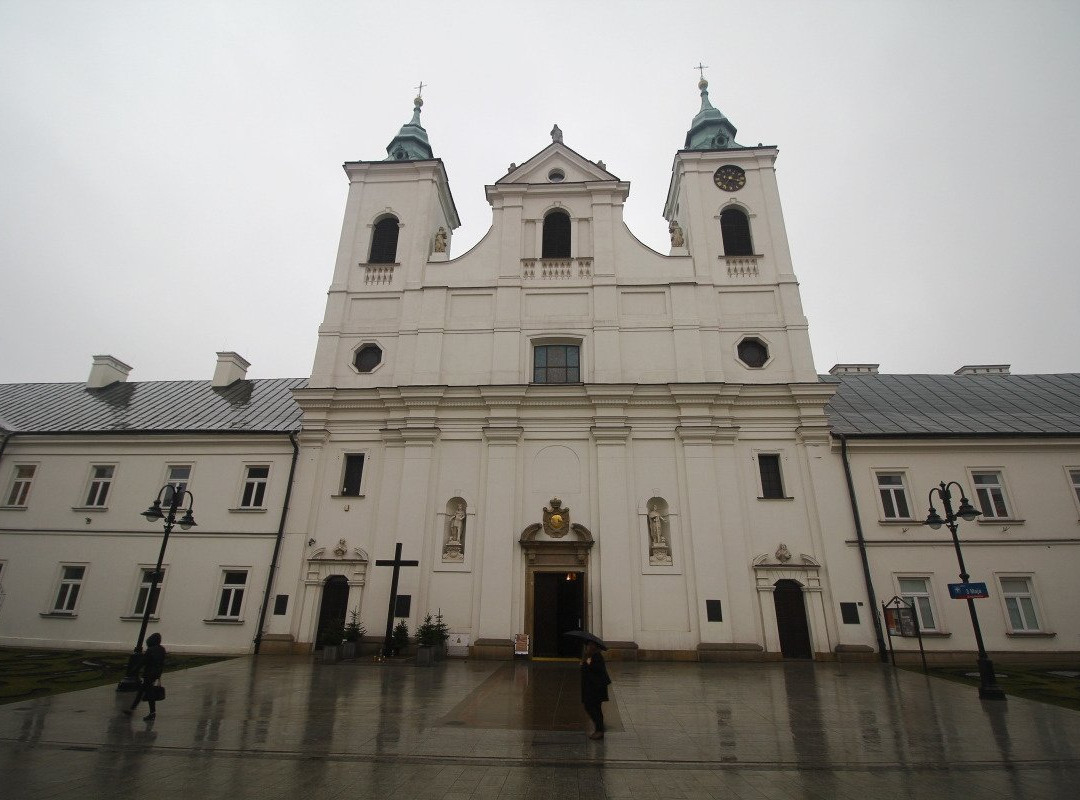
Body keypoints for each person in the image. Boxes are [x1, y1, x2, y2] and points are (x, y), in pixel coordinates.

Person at [123, 632, 165, 721]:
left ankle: (152, 713)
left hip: (149, 674)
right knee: (142, 691)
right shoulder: (162, 649)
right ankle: (132, 709)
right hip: (156, 674)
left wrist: (134, 670)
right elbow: (161, 663)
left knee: (149, 694)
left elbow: (143, 662)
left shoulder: (150, 650)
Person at [580, 639, 611, 740]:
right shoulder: (590, 656)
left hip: (596, 687)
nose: (587, 647)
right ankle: (599, 728)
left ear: (593, 647)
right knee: (595, 708)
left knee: (592, 707)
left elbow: (596, 670)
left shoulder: (596, 656)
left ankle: (599, 730)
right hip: (592, 686)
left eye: (589, 645)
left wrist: (587, 664)